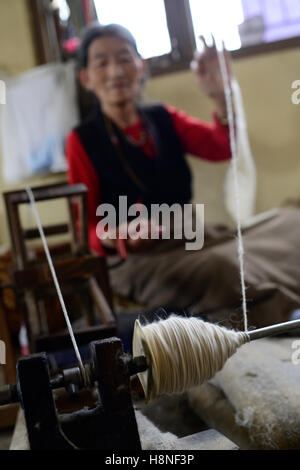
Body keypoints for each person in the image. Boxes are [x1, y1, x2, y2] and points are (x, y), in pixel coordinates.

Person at [67, 23, 300, 331]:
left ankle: (274, 306)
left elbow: (222, 146)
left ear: (141, 65)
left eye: (124, 58)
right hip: (137, 260)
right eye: (101, 63)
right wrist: (119, 235)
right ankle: (274, 315)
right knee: (225, 267)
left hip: (193, 236)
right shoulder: (81, 140)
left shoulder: (163, 118)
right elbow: (85, 230)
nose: (115, 71)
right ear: (86, 77)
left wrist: (220, 96)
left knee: (292, 221)